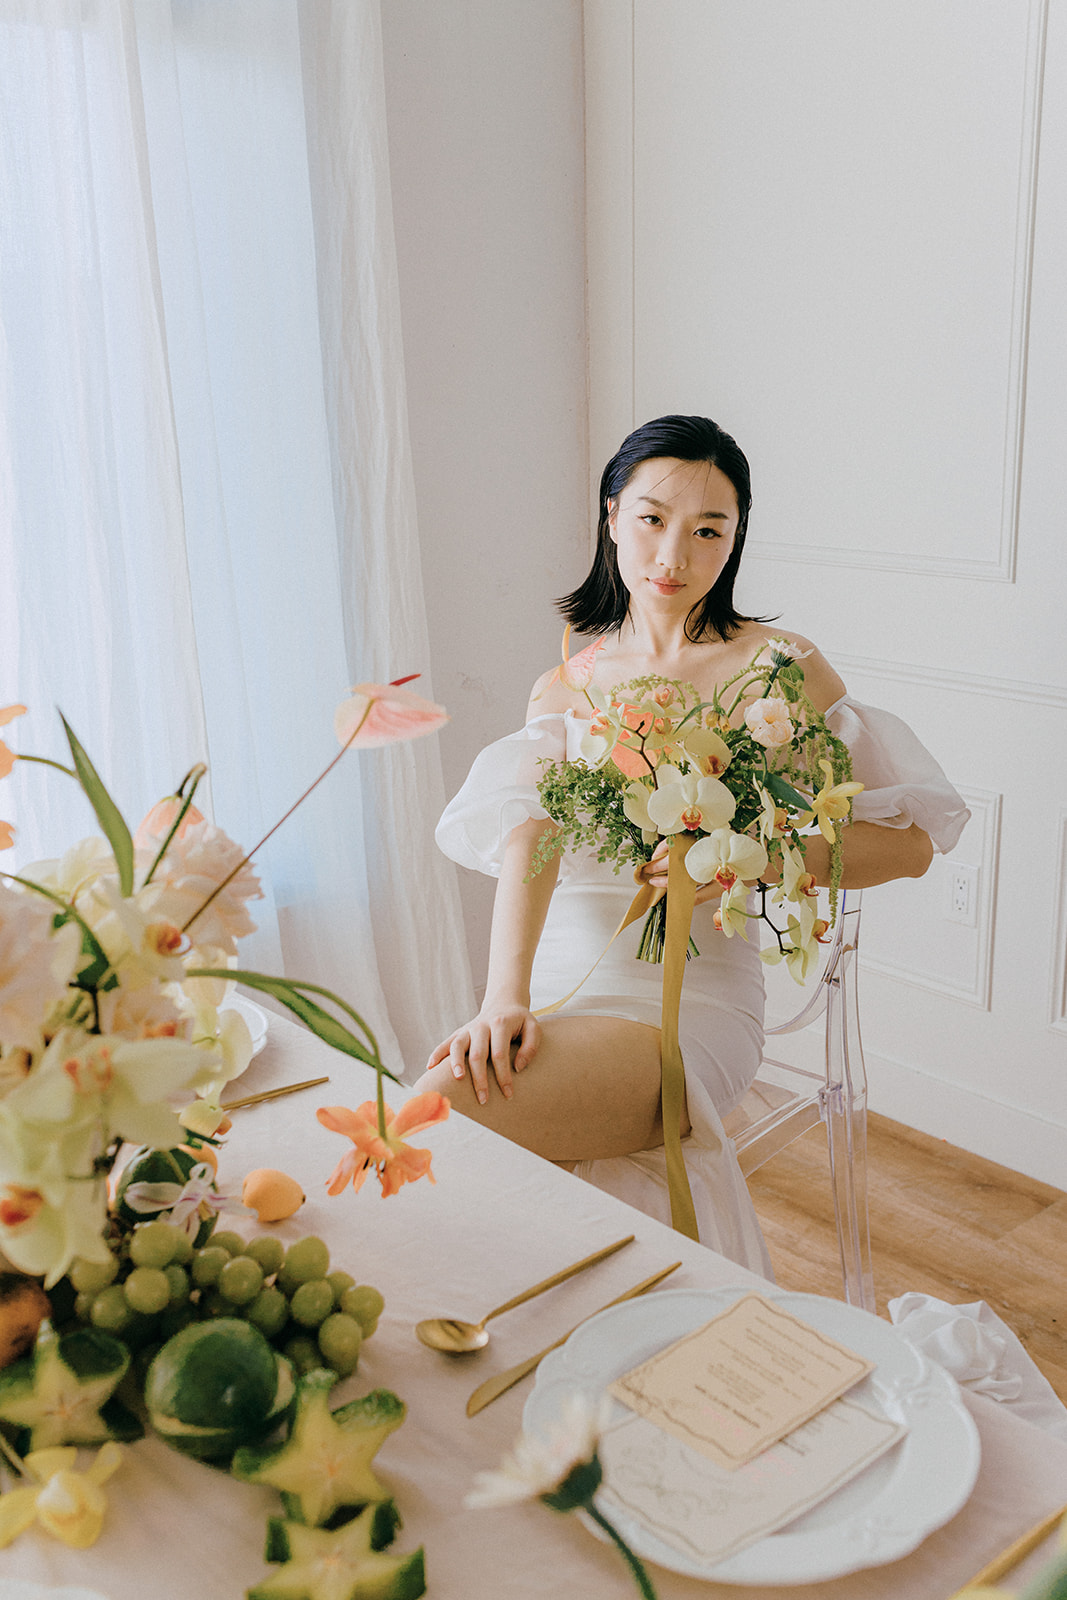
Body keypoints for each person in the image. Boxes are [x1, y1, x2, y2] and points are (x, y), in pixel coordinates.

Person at [416, 415, 969, 1273]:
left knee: (441, 1111)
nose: (674, 554)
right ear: (610, 517)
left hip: (691, 993)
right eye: (651, 519)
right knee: (467, 1109)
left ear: (734, 539)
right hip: (563, 978)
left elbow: (905, 850)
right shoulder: (566, 682)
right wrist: (502, 998)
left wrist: (746, 860)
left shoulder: (778, 668)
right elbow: (532, 841)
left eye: (708, 529)